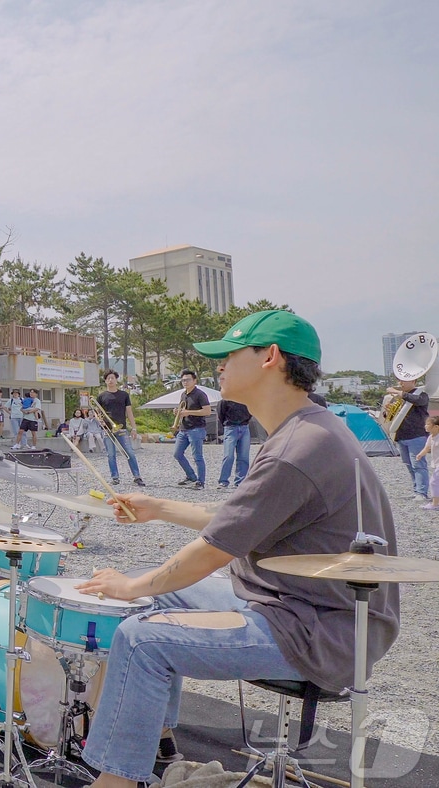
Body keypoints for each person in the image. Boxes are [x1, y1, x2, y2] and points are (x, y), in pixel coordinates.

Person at [76, 309, 400, 788]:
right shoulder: (304, 430)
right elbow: (241, 519)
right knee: (155, 597)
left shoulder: (299, 447)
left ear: (270, 357)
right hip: (292, 606)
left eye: (228, 355)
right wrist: (159, 507)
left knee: (141, 635)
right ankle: (154, 741)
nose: (219, 367)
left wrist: (130, 586)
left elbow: (213, 550)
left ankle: (116, 780)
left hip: (318, 630)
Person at [96, 371, 145, 487]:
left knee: (130, 453)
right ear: (105, 381)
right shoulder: (101, 396)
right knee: (111, 455)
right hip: (107, 429)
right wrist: (100, 420)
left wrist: (134, 428)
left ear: (116, 379)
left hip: (121, 428)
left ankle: (137, 476)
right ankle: (115, 477)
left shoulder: (124, 395)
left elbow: (129, 412)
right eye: (108, 378)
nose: (110, 380)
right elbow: (98, 413)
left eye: (112, 378)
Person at [387, 376, 431, 501]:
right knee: (409, 464)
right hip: (401, 435)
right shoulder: (399, 398)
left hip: (416, 435)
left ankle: (422, 492)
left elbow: (416, 400)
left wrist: (398, 392)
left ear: (413, 381)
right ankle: (417, 489)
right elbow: (390, 417)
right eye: (399, 381)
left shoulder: (422, 395)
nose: (400, 383)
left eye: (403, 380)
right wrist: (387, 411)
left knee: (418, 464)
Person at [171, 370, 212, 489]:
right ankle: (191, 476)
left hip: (196, 429)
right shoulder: (183, 395)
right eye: (183, 380)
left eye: (188, 380)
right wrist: (177, 412)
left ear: (195, 381)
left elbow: (207, 411)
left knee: (197, 456)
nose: (185, 382)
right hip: (184, 429)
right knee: (177, 454)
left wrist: (187, 412)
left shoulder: (200, 394)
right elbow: (182, 408)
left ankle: (201, 481)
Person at [216, 398, 253, 489]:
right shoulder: (224, 401)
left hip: (244, 427)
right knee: (228, 456)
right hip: (230, 428)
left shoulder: (246, 398)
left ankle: (240, 481)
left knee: (244, 456)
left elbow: (251, 411)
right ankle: (223, 481)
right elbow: (220, 414)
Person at [415, 414, 439, 510]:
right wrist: (420, 454)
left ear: (436, 427)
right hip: (436, 464)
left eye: (428, 424)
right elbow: (427, 448)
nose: (425, 426)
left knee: (433, 482)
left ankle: (435, 504)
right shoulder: (430, 437)